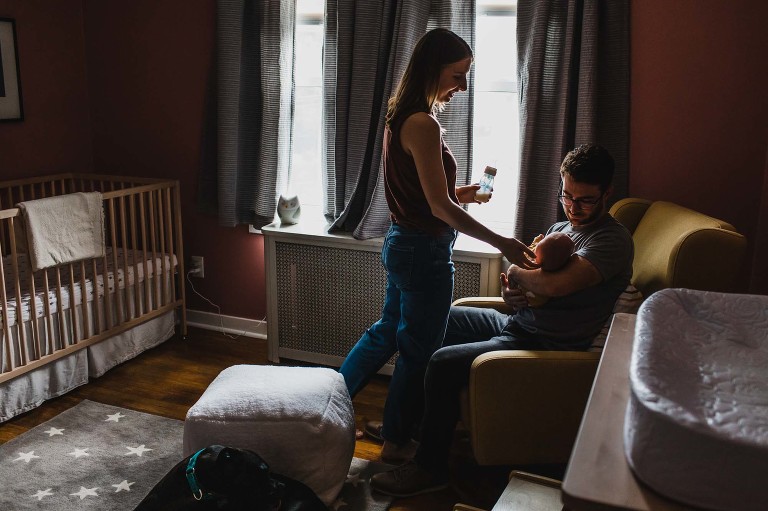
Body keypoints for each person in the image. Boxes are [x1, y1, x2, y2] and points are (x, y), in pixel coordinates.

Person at [370, 143, 634, 497]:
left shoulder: (611, 240)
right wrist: (512, 292)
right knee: (429, 321)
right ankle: (406, 429)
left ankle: (430, 468)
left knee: (443, 362)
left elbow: (555, 284)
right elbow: (526, 273)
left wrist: (520, 276)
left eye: (585, 200)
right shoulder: (562, 226)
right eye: (567, 196)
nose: (573, 208)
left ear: (608, 193)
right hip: (518, 322)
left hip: (543, 342)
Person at [339, 28, 536, 464]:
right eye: (458, 73)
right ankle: (394, 442)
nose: (463, 85)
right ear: (433, 67)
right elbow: (438, 207)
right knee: (417, 349)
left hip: (402, 243)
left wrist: (466, 192)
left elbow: (425, 195)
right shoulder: (423, 123)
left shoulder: (401, 114)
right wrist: (502, 240)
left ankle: (327, 402)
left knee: (387, 332)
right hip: (424, 251)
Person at [519, 231, 576, 306]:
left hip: (535, 313)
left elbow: (551, 288)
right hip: (523, 307)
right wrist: (507, 293)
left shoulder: (594, 241)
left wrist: (513, 271)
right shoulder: (556, 227)